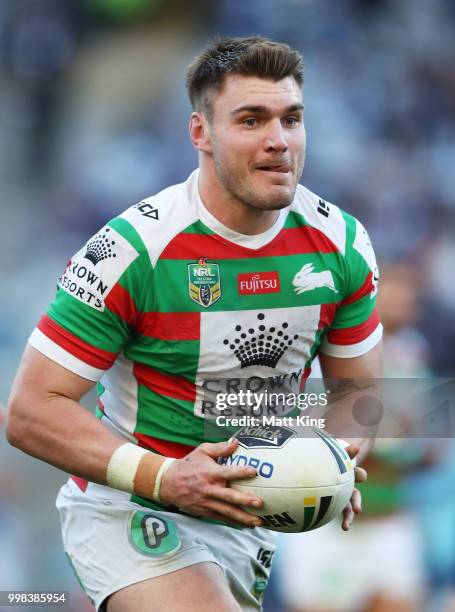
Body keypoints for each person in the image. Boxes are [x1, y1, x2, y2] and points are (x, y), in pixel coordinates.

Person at [6, 37, 382, 612]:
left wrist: (329, 465)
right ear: (200, 133)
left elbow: (357, 400)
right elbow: (31, 410)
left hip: (248, 517)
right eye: (251, 120)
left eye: (292, 119)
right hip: (132, 506)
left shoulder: (344, 246)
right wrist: (164, 478)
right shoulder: (132, 251)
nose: (278, 141)